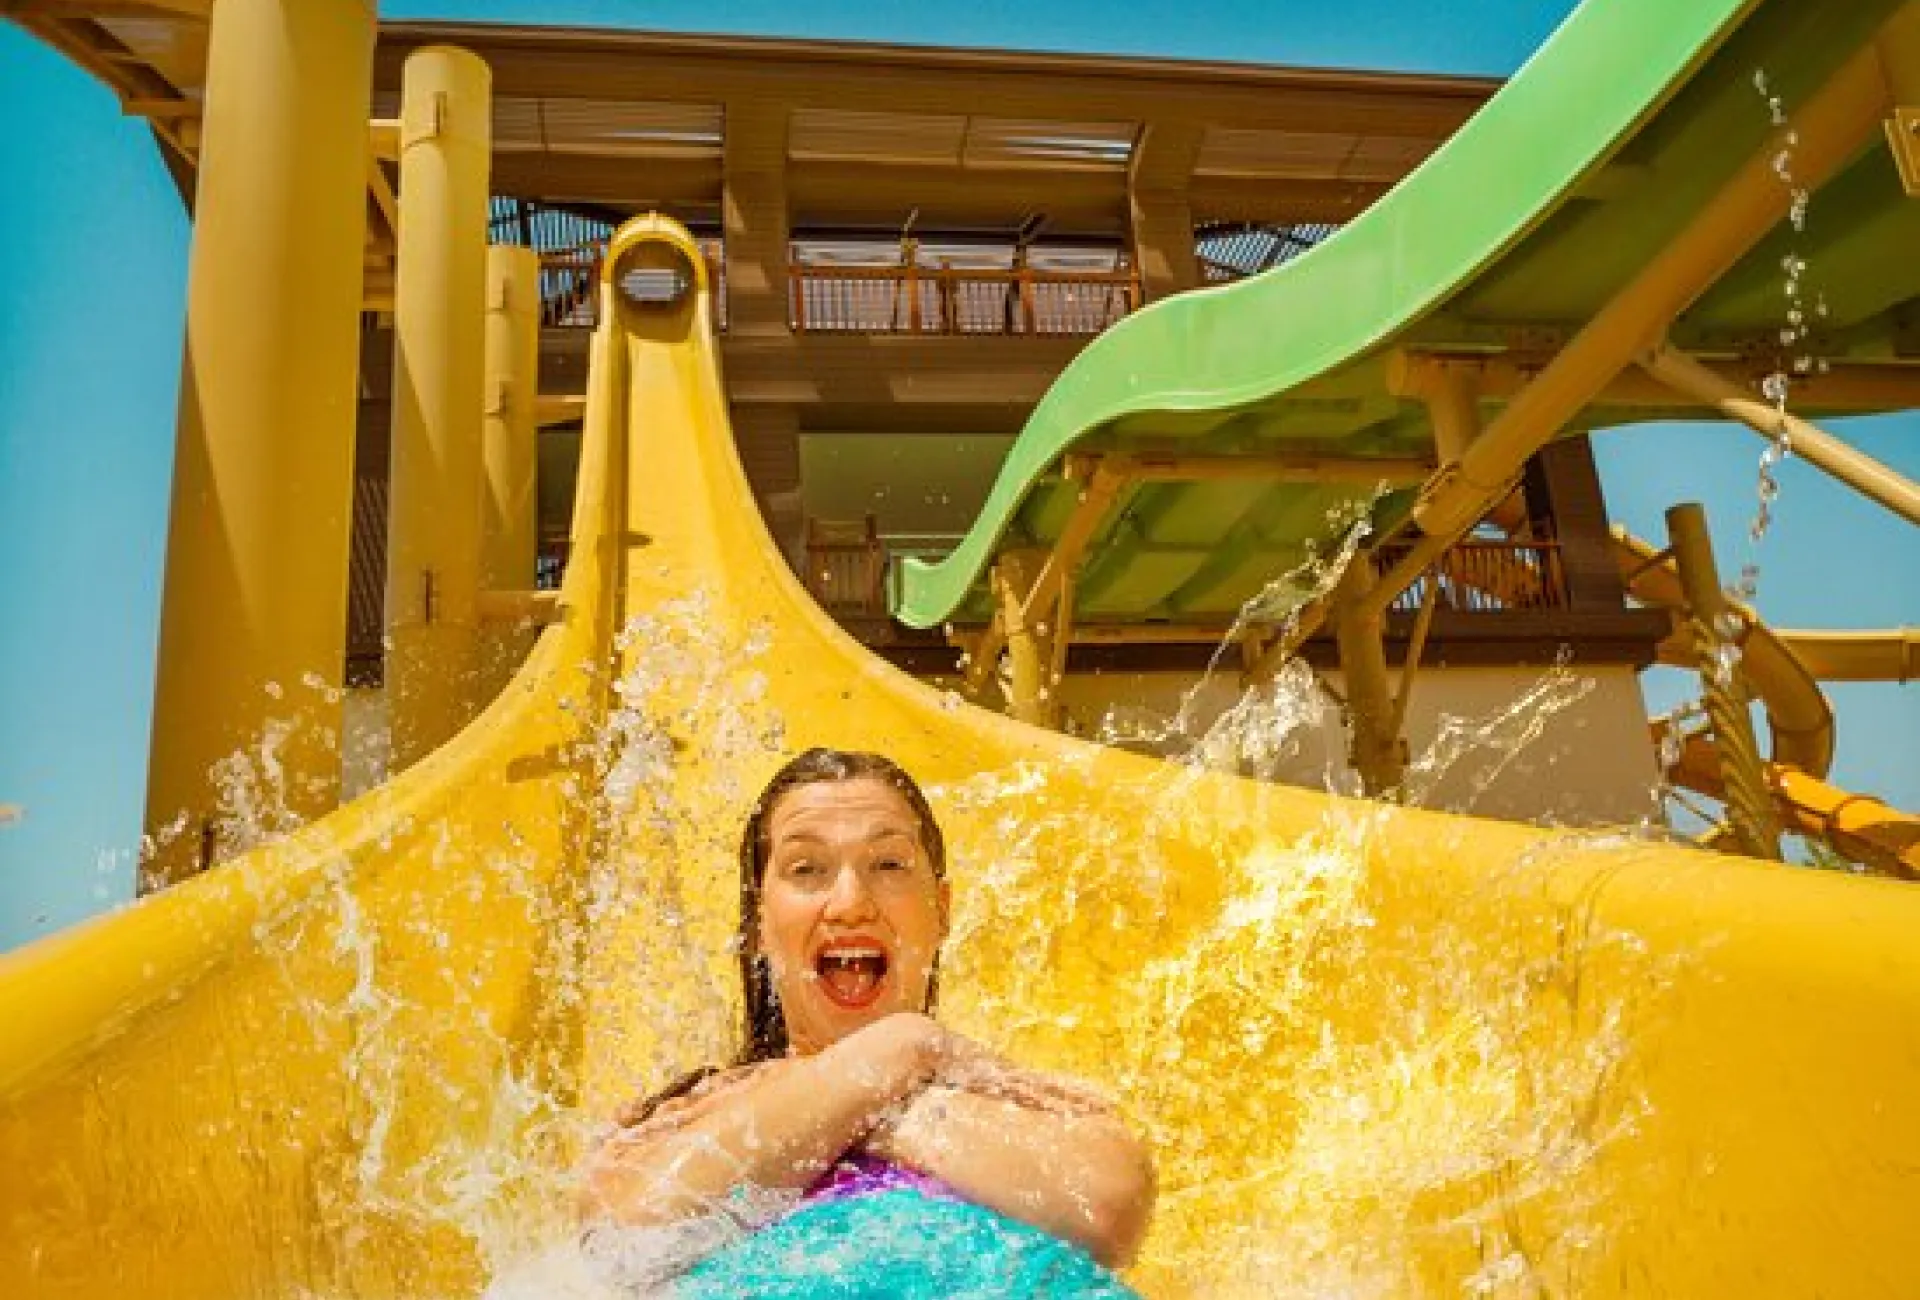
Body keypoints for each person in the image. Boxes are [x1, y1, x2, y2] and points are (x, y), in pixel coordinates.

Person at [579, 747, 1155, 1297]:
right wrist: (902, 1049)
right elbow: (623, 1239)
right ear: (758, 924)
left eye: (888, 865)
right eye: (807, 869)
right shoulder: (687, 1110)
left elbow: (1107, 1209)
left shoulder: (1025, 1101)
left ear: (942, 910)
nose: (851, 902)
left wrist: (874, 1088)